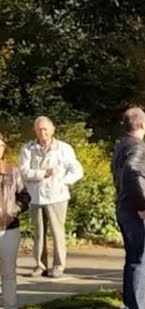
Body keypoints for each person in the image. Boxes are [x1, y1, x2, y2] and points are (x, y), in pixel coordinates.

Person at [19, 116, 84, 279]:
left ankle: (58, 266)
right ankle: (40, 265)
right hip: (35, 197)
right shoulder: (28, 149)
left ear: (53, 129)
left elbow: (77, 170)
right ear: (35, 131)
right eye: (39, 129)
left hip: (57, 197)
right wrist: (43, 173)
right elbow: (24, 172)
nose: (43, 132)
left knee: (57, 232)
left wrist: (63, 182)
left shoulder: (64, 148)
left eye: (45, 129)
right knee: (38, 233)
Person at [111, 107, 145, 309]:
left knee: (133, 259)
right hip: (135, 208)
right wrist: (142, 204)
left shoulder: (122, 144)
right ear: (142, 124)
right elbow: (131, 172)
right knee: (141, 259)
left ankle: (132, 307)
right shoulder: (137, 146)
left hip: (124, 205)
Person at [0, 133, 31, 309]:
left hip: (9, 227)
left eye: (0, 145)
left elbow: (25, 195)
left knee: (9, 273)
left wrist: (16, 208)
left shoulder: (12, 171)